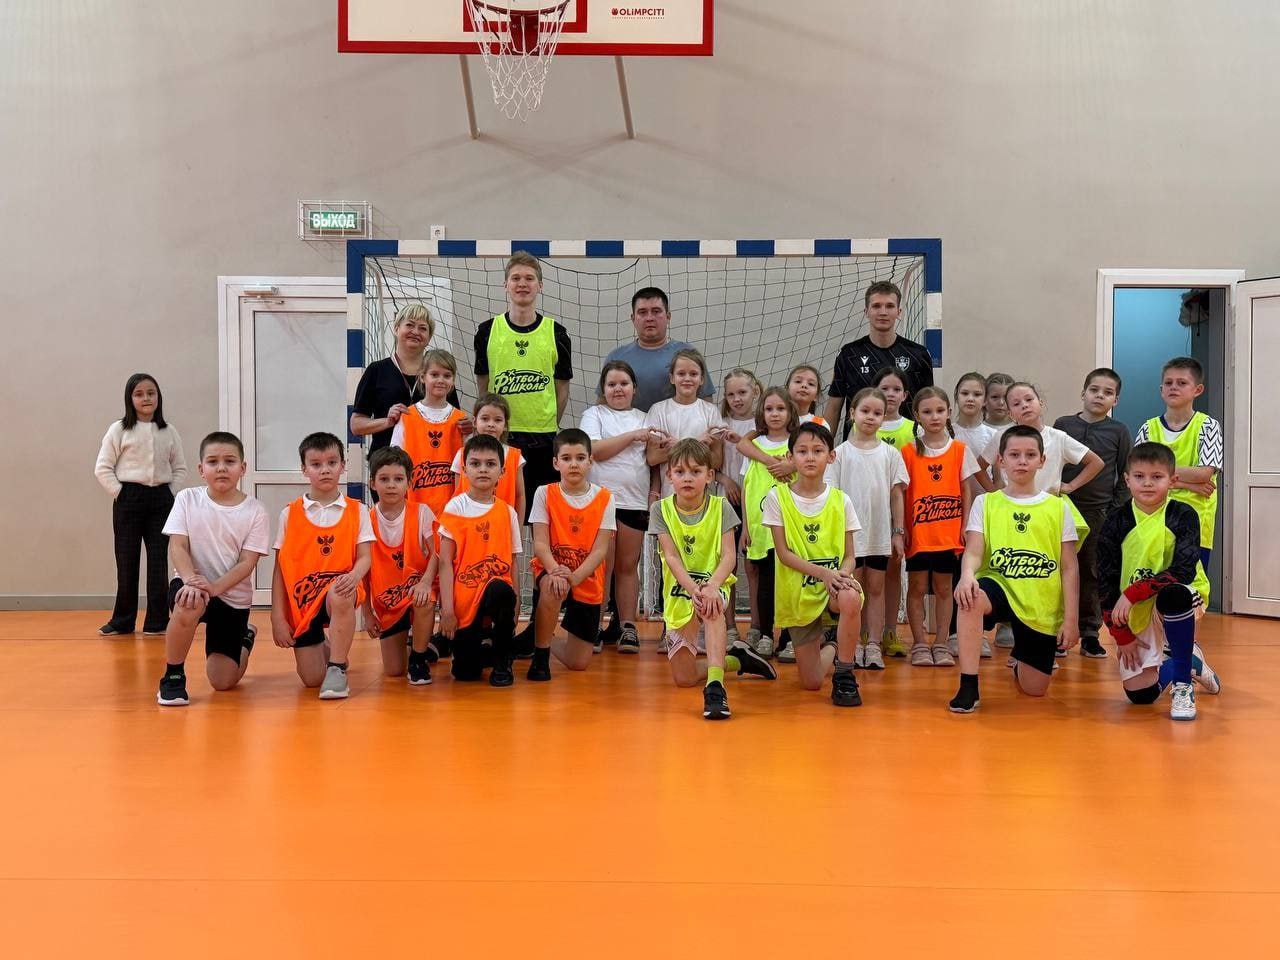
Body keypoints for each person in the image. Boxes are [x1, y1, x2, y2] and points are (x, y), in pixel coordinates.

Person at [948, 426, 1081, 713]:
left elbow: (1069, 567)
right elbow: (974, 550)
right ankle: (968, 684)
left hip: (1040, 601)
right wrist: (967, 575)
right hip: (999, 585)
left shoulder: (1058, 508)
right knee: (970, 597)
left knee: (1035, 690)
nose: (1022, 461)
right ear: (1001, 460)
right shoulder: (986, 502)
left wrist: (1071, 619)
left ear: (1042, 461)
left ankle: (1022, 655)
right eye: (1014, 455)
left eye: (1030, 455)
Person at [650, 439, 776, 720]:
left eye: (695, 471)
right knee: (684, 678)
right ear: (669, 476)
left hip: (715, 583)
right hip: (680, 589)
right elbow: (671, 557)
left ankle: (716, 687)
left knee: (712, 605)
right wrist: (694, 589)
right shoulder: (660, 510)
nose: (687, 478)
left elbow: (729, 556)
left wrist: (712, 586)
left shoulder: (721, 507)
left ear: (709, 475)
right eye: (680, 472)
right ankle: (738, 660)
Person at [1098, 442, 1221, 721]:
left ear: (1173, 481)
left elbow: (1183, 571)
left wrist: (1132, 593)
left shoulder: (1183, 515)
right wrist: (1121, 635)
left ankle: (1182, 685)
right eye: (1139, 476)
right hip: (1135, 607)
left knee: (1174, 595)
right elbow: (1105, 582)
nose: (1147, 483)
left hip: (1181, 595)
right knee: (1141, 695)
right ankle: (1188, 662)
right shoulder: (1116, 521)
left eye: (1157, 477)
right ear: (1127, 480)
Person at [155, 431, 268, 706]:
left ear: (242, 468)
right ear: (201, 469)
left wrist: (215, 587)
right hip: (191, 583)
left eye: (230, 461)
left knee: (222, 682)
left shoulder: (255, 511)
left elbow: (247, 562)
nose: (221, 468)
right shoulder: (187, 499)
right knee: (189, 601)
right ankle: (173, 677)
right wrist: (191, 581)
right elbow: (178, 546)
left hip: (231, 596)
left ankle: (245, 637)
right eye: (213, 461)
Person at [764, 422, 864, 706]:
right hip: (800, 594)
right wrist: (824, 574)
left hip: (833, 588)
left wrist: (842, 575)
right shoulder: (777, 497)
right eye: (802, 451)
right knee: (812, 683)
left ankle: (845, 674)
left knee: (850, 595)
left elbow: (850, 556)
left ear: (831, 456)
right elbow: (783, 553)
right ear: (790, 456)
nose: (810, 457)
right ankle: (834, 642)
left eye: (818, 451)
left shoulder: (841, 500)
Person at [270, 433, 374, 700]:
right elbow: (280, 570)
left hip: (340, 593)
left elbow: (365, 557)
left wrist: (354, 575)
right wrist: (277, 617)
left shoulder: (358, 510)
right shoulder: (289, 513)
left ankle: (337, 666)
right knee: (312, 680)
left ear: (343, 465)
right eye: (316, 464)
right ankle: (330, 647)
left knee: (340, 591)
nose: (325, 469)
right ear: (304, 469)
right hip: (303, 601)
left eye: (332, 462)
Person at [474, 252, 573, 514]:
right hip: (501, 437)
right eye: (516, 278)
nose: (522, 284)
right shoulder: (487, 331)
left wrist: (549, 420)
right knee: (500, 512)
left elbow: (562, 388)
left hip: (543, 437)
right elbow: (483, 385)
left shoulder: (557, 333)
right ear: (505, 285)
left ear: (540, 285)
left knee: (541, 517)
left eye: (529, 278)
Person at [95, 373, 188, 637]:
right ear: (130, 398)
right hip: (129, 499)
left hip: (161, 501)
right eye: (139, 394)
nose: (146, 398)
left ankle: (157, 621)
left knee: (158, 562)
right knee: (127, 561)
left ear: (158, 397)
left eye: (151, 393)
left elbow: (180, 468)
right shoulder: (119, 430)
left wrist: (169, 493)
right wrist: (120, 493)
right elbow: (102, 467)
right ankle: (122, 621)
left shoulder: (169, 431)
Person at [825, 387, 907, 670]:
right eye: (865, 411)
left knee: (875, 588)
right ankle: (855, 643)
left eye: (877, 413)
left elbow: (896, 495)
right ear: (852, 413)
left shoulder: (890, 454)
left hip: (879, 534)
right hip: (849, 538)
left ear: (884, 418)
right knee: (853, 589)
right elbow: (832, 498)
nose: (871, 417)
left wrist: (898, 532)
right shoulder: (839, 454)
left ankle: (873, 643)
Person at [1053, 367, 1132, 659]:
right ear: (1083, 393)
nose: (1100, 396)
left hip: (1098, 512)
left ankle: (1089, 634)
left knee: (1091, 572)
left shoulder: (1119, 431)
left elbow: (1125, 473)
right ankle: (1055, 632)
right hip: (1061, 509)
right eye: (1094, 390)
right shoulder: (1063, 424)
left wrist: (1113, 511)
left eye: (1107, 393)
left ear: (1116, 400)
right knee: (1058, 569)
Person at [901, 387, 980, 667]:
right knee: (917, 587)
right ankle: (920, 643)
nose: (934, 416)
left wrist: (965, 525)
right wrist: (901, 527)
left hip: (948, 533)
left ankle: (942, 643)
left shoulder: (960, 450)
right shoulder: (908, 452)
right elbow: (900, 493)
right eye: (927, 411)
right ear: (917, 415)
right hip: (919, 534)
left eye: (939, 410)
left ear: (948, 413)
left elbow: (966, 490)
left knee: (945, 588)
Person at [437, 435, 524, 686]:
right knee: (465, 674)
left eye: (490, 464)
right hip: (465, 597)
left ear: (502, 471)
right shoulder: (455, 507)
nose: (483, 469)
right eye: (475, 464)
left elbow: (513, 561)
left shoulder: (507, 512)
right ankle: (482, 646)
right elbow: (445, 563)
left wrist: (517, 601)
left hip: (496, 591)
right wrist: (447, 610)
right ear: (464, 469)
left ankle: (503, 661)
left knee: (501, 591)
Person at [528, 429, 615, 678]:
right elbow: (540, 544)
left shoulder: (605, 498)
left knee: (578, 663)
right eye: (566, 458)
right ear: (556, 463)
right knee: (552, 586)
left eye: (580, 458)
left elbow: (600, 550)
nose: (573, 464)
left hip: (585, 577)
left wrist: (574, 577)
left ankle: (536, 635)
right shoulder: (544, 493)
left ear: (590, 461)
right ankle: (541, 657)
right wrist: (556, 572)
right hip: (552, 570)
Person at [580, 361, 650, 655]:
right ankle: (594, 626)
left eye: (624, 383)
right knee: (602, 567)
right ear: (603, 389)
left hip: (634, 500)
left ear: (634, 388)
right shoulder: (594, 414)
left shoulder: (645, 417)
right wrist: (632, 436)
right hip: (601, 502)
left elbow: (653, 458)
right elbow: (595, 451)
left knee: (627, 566)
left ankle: (627, 628)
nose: (618, 389)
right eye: (611, 384)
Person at [1134, 357, 1222, 572]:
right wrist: (1187, 484)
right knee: (1149, 581)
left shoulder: (1208, 426)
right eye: (1168, 383)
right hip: (1151, 516)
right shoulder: (1148, 428)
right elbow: (1137, 476)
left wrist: (1157, 475)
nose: (1174, 387)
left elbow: (1203, 474)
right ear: (1161, 389)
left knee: (1189, 583)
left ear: (1197, 390)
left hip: (1194, 521)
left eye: (1182, 383)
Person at [350, 302, 464, 461]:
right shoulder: (376, 370)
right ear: (396, 328)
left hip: (429, 465)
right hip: (386, 464)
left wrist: (467, 426)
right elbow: (356, 425)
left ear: (429, 337)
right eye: (409, 325)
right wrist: (388, 422)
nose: (415, 332)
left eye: (423, 328)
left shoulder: (439, 375)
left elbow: (454, 422)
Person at [363, 447, 438, 686]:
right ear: (372, 483)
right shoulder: (366, 519)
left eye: (398, 479)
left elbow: (437, 553)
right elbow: (362, 571)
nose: (391, 485)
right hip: (387, 601)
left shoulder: (422, 512)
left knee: (425, 599)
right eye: (384, 479)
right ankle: (416, 642)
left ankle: (418, 657)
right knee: (394, 670)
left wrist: (426, 581)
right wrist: (367, 614)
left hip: (416, 591)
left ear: (409, 483)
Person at [824, 280, 935, 439]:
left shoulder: (918, 354)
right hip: (859, 446)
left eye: (889, 306)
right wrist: (824, 445)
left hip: (906, 446)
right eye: (876, 306)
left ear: (899, 312)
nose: (883, 312)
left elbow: (929, 406)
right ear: (866, 311)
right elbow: (834, 408)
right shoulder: (849, 354)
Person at [737, 388, 798, 659]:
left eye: (780, 409)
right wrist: (746, 527)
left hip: (789, 528)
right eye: (769, 409)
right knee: (764, 584)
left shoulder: (796, 445)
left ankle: (788, 636)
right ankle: (764, 634)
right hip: (760, 529)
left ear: (790, 412)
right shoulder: (755, 446)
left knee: (789, 583)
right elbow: (747, 488)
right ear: (761, 412)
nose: (775, 414)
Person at [604, 286, 714, 412]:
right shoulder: (616, 357)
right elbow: (602, 402)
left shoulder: (689, 354)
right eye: (642, 312)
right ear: (633, 318)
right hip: (629, 425)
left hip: (678, 425)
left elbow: (706, 400)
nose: (649, 318)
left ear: (668, 316)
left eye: (656, 311)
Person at [390, 349, 468, 522]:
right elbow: (394, 461)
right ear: (422, 377)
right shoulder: (407, 416)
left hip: (452, 510)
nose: (441, 380)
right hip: (414, 506)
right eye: (434, 374)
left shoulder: (461, 420)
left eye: (447, 376)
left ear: (453, 380)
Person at [719, 368, 763, 647]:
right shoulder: (721, 424)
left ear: (755, 391)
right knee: (727, 565)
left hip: (755, 505)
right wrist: (725, 480)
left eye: (742, 392)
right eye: (731, 394)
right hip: (725, 500)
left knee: (753, 566)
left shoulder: (763, 424)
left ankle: (757, 626)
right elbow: (709, 463)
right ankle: (729, 626)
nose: (737, 399)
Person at [644, 348, 726, 498]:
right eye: (681, 374)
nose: (687, 378)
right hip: (670, 496)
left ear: (702, 379)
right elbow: (653, 457)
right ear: (672, 378)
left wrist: (677, 445)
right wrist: (696, 443)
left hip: (704, 497)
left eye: (693, 374)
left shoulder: (711, 411)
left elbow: (716, 461)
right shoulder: (658, 410)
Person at [450, 394, 526, 519]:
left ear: (505, 425)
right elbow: (457, 493)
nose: (491, 424)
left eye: (497, 420)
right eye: (485, 419)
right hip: (468, 524)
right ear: (474, 422)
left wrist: (518, 527)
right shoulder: (462, 454)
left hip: (502, 524)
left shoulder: (515, 456)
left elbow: (520, 496)